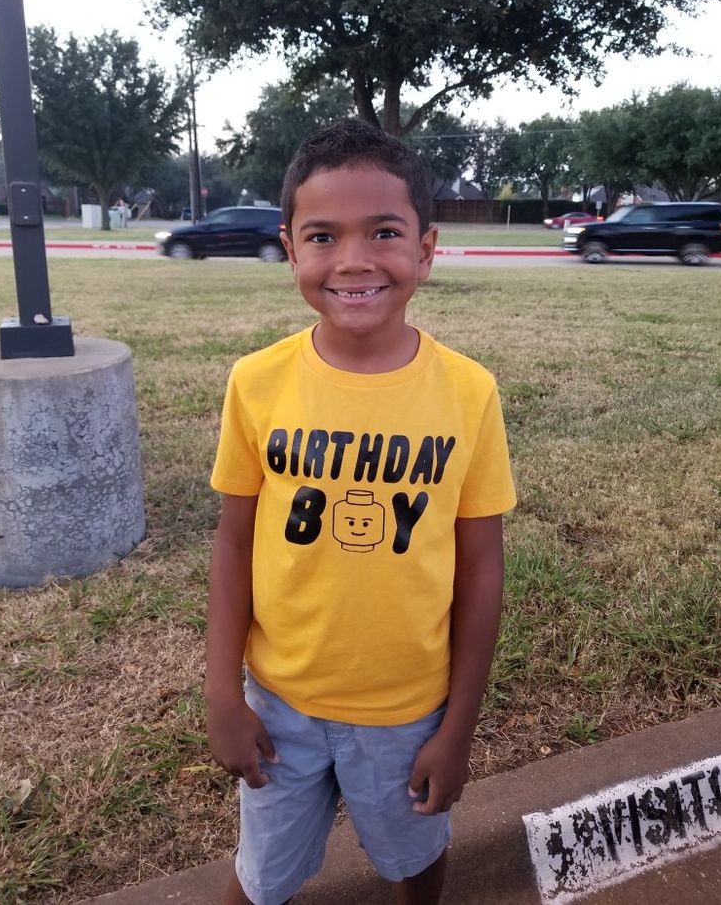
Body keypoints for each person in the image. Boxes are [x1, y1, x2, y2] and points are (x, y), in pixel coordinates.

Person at [206, 118, 516, 905]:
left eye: (384, 231)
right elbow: (235, 541)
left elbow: (481, 569)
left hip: (411, 707)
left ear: (426, 246)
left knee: (415, 858)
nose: (352, 260)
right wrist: (221, 690)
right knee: (262, 876)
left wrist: (458, 729)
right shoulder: (257, 382)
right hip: (279, 701)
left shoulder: (468, 392)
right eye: (321, 235)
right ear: (289, 246)